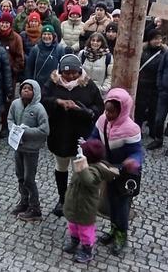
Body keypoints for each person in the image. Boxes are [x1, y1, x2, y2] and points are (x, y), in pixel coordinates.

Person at [42, 54, 104, 218]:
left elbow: (99, 107)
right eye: (67, 73)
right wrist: (57, 102)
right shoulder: (52, 83)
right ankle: (62, 199)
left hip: (80, 135)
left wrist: (85, 111)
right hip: (59, 134)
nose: (70, 77)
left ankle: (78, 200)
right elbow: (42, 100)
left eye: (74, 73)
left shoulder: (88, 85)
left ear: (80, 71)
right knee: (61, 167)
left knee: (80, 171)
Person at [90, 88, 143, 256]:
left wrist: (133, 161)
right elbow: (93, 137)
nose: (108, 114)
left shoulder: (131, 129)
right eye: (106, 110)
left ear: (123, 110)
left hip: (125, 174)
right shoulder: (102, 121)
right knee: (112, 204)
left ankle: (121, 237)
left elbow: (137, 151)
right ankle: (113, 231)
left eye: (112, 112)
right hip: (109, 170)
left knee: (122, 207)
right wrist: (89, 146)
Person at [62, 139, 118, 263]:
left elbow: (89, 181)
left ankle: (87, 250)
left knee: (85, 230)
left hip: (85, 207)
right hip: (75, 202)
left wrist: (82, 163)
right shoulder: (88, 164)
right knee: (73, 225)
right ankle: (74, 242)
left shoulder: (96, 169)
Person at [8, 80, 50, 221]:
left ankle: (35, 207)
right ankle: (24, 201)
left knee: (29, 178)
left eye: (29, 89)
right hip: (18, 146)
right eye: (24, 88)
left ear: (35, 92)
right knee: (20, 175)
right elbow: (10, 119)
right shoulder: (15, 104)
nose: (26, 91)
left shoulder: (39, 109)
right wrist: (13, 129)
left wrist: (26, 132)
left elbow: (45, 130)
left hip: (31, 150)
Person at [134, 30, 167, 138]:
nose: (158, 41)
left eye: (159, 38)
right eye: (155, 39)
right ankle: (137, 130)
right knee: (140, 109)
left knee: (154, 109)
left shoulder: (165, 53)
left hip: (156, 85)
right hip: (142, 84)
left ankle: (153, 131)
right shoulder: (142, 50)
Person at [0, 13, 25, 136]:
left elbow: (20, 57)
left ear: (10, 24)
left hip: (9, 75)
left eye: (7, 23)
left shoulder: (16, 38)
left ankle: (5, 125)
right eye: (2, 22)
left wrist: (13, 69)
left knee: (7, 100)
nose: (4, 25)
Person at [78, 32, 113, 97]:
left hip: (99, 93)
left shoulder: (108, 57)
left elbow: (110, 76)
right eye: (93, 40)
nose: (95, 43)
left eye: (98, 41)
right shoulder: (83, 54)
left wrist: (104, 89)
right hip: (83, 90)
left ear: (102, 42)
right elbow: (78, 71)